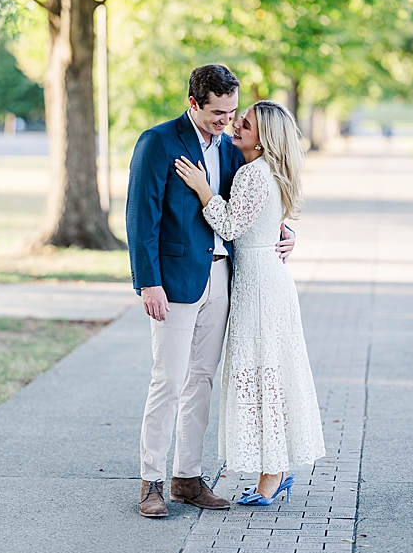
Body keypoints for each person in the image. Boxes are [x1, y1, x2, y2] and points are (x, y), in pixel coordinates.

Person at [126, 65, 296, 517]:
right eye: (218, 112)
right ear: (194, 103)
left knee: (201, 380)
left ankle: (187, 478)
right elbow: (140, 218)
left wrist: (286, 231)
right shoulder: (158, 142)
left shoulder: (233, 150)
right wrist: (148, 281)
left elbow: (255, 204)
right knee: (169, 379)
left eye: (233, 111)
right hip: (175, 280)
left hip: (224, 278)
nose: (227, 121)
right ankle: (151, 482)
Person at [174, 101, 326, 505]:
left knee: (264, 377)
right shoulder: (263, 172)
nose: (237, 126)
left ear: (263, 140)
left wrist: (203, 188)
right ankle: (273, 470)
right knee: (267, 375)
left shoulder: (253, 175)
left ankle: (272, 475)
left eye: (247, 124)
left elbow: (228, 225)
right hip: (262, 280)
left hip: (259, 286)